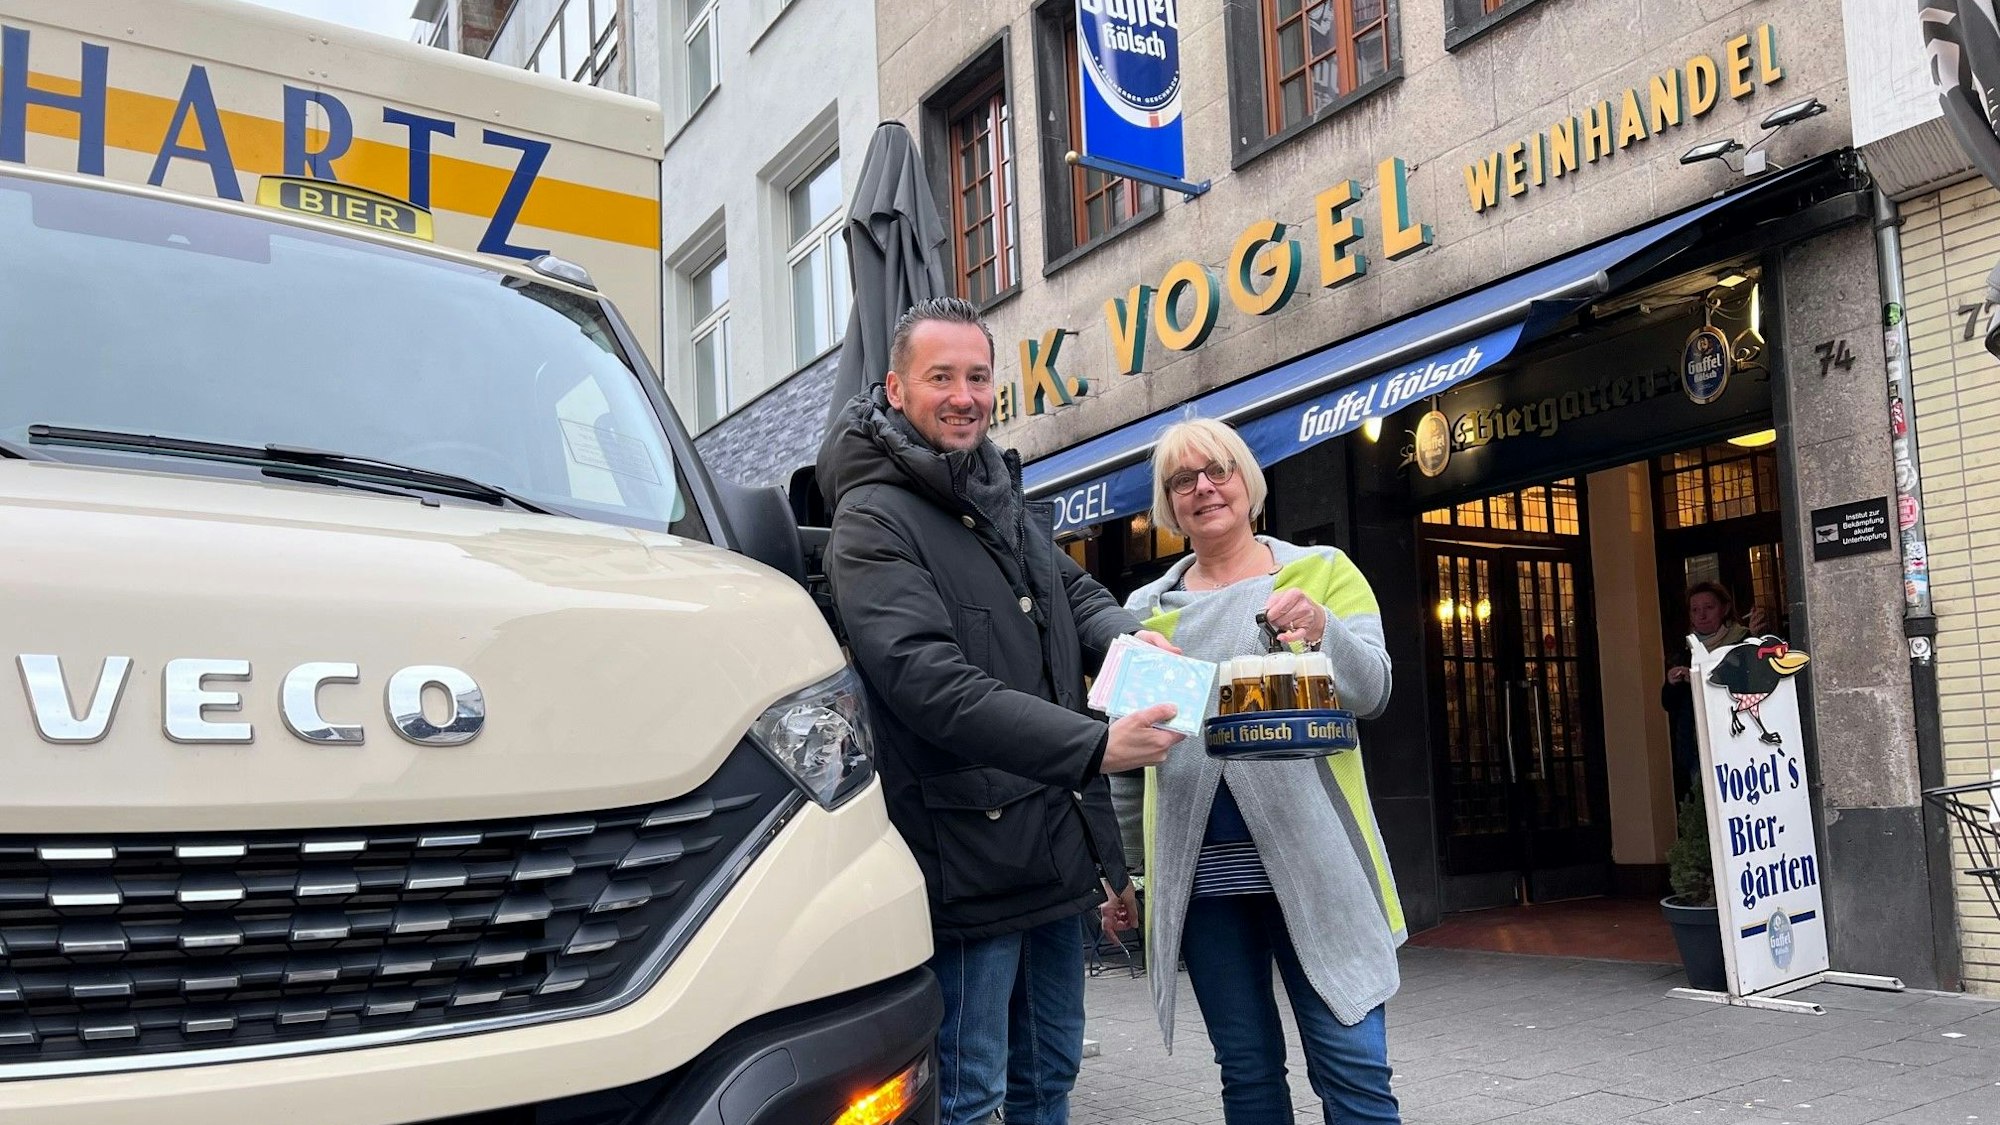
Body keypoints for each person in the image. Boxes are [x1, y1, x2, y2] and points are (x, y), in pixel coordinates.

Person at [816, 296, 1182, 1125]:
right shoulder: (872, 516)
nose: (963, 395)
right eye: (940, 376)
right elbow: (928, 683)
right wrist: (1096, 746)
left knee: (1050, 1072)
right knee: (971, 1092)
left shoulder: (994, 493)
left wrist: (1131, 639)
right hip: (968, 854)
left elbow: (1078, 591)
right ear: (896, 388)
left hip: (1053, 848)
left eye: (977, 376)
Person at [1119, 418, 1405, 1125]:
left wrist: (1324, 629)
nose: (1204, 487)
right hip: (1206, 882)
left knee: (1356, 1070)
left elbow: (1374, 691)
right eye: (1182, 480)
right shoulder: (1145, 614)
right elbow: (1127, 761)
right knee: (1247, 1075)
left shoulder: (1323, 573)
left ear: (1248, 479)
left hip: (1319, 864)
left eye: (1218, 469)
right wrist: (1129, 871)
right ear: (1168, 503)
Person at [1661, 581, 1767, 803]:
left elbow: (1755, 686)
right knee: (1702, 806)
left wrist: (1701, 680)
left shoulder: (1744, 641)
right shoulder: (1685, 651)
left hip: (1738, 741)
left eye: (1709, 608)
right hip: (1696, 746)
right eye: (1695, 610)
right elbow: (1669, 705)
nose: (1701, 615)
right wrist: (1671, 683)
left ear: (1724, 609)